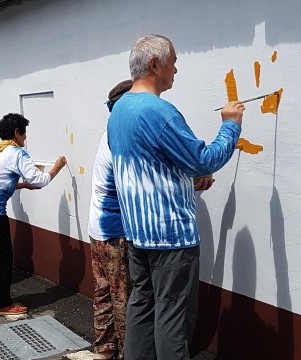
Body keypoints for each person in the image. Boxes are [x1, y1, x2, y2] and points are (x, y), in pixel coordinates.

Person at [106, 34, 244, 360]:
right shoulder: (160, 112)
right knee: (173, 317)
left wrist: (183, 178)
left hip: (137, 231)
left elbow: (147, 166)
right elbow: (205, 160)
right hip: (171, 236)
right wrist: (231, 125)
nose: (176, 70)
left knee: (141, 304)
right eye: (174, 62)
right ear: (155, 64)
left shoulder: (120, 110)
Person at [0, 113, 67, 316]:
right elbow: (40, 180)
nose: (26, 138)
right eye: (24, 133)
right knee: (2, 256)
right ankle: (2, 303)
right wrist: (57, 168)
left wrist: (21, 185)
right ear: (16, 133)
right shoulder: (16, 153)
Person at [88, 79, 133, 360]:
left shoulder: (108, 132)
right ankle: (129, 353)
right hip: (114, 232)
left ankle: (104, 349)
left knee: (103, 291)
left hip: (97, 228)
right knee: (123, 298)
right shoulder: (122, 136)